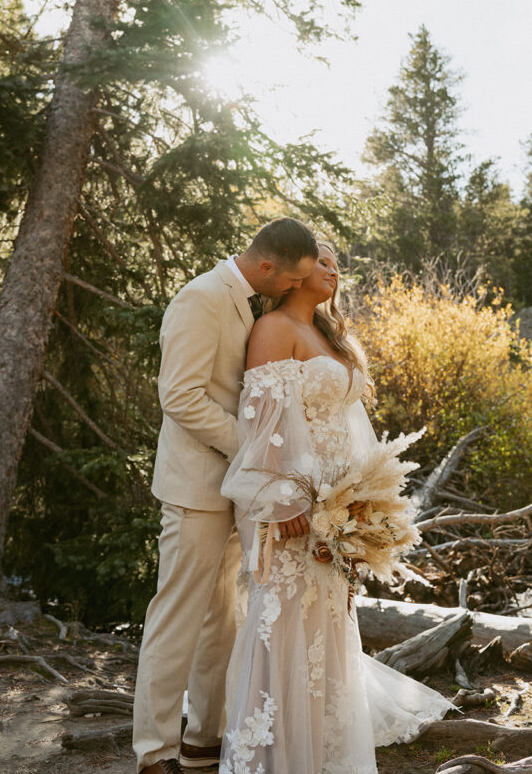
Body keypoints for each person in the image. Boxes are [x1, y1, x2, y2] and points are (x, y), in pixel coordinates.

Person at [220, 244, 452, 774]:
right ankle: (274, 757)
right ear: (297, 272)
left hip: (336, 506)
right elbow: (264, 422)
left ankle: (320, 752)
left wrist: (362, 506)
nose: (332, 270)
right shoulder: (273, 327)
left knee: (328, 620)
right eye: (322, 262)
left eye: (335, 264)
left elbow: (348, 428)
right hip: (290, 503)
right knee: (284, 621)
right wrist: (282, 500)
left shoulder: (329, 335)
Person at [133, 219, 319, 774]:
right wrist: (256, 448)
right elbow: (181, 397)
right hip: (195, 486)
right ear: (267, 269)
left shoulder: (252, 303)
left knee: (224, 618)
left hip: (239, 490)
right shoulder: (200, 298)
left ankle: (202, 741)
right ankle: (154, 753)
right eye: (291, 280)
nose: (292, 290)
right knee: (177, 616)